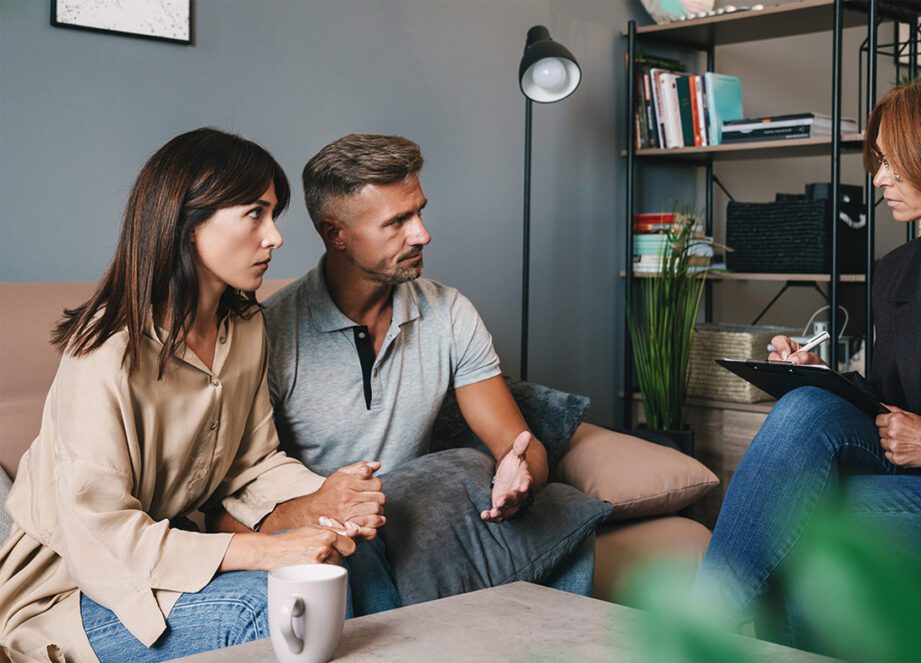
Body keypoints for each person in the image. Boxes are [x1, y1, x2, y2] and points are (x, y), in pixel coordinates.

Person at [0, 128, 390, 662]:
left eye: (273, 215)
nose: (275, 237)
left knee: (355, 561)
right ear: (187, 223)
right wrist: (261, 551)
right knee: (268, 605)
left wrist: (327, 499)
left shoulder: (245, 327)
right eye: (255, 213)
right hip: (73, 591)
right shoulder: (105, 353)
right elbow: (101, 536)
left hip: (172, 561)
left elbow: (252, 464)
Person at [690, 76, 921, 648]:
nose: (879, 179)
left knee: (809, 526)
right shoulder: (897, 268)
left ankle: (699, 640)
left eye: (896, 164)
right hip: (913, 466)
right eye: (879, 162)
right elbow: (896, 395)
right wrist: (825, 382)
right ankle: (704, 626)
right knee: (805, 404)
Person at [210, 133, 594, 595]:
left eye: (419, 211)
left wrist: (522, 473)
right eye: (397, 222)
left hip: (426, 522)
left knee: (566, 514)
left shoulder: (449, 312)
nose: (422, 234)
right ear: (336, 233)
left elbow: (517, 444)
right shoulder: (270, 334)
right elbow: (233, 501)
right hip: (340, 533)